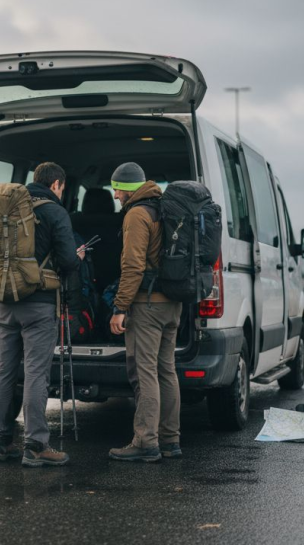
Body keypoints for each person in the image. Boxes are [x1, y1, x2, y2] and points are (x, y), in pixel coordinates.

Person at [0, 162, 82, 467]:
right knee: (35, 373)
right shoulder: (55, 212)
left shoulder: (8, 208)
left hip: (4, 301)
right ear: (56, 184)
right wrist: (78, 257)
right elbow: (67, 262)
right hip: (39, 304)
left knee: (3, 371)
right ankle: (36, 445)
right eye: (62, 188)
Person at [107, 162, 182, 463]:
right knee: (167, 370)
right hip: (171, 303)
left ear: (127, 189)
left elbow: (133, 266)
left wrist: (120, 307)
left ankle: (146, 442)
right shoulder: (162, 208)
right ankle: (170, 440)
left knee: (144, 371)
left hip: (147, 305)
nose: (115, 195)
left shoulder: (137, 214)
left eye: (117, 189)